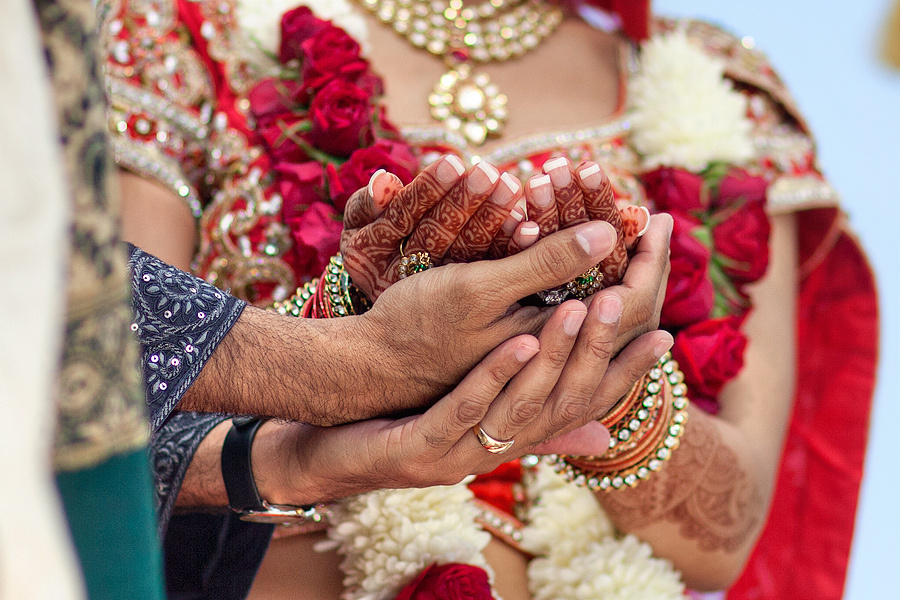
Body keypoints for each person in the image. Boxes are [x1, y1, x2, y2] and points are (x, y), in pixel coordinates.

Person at [99, 1, 878, 600]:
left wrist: (600, 367)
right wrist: (356, 332)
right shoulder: (180, 33)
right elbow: (110, 390)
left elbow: (730, 534)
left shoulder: (715, 92)